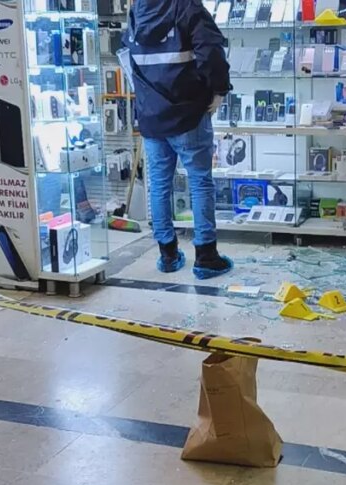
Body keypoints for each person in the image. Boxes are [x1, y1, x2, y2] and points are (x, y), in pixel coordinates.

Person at [127, 0, 233, 279]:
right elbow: (211, 53)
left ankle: (168, 255)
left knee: (159, 185)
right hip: (187, 113)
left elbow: (131, 60)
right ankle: (206, 256)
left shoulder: (138, 10)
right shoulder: (187, 7)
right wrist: (219, 90)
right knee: (199, 182)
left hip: (152, 115)